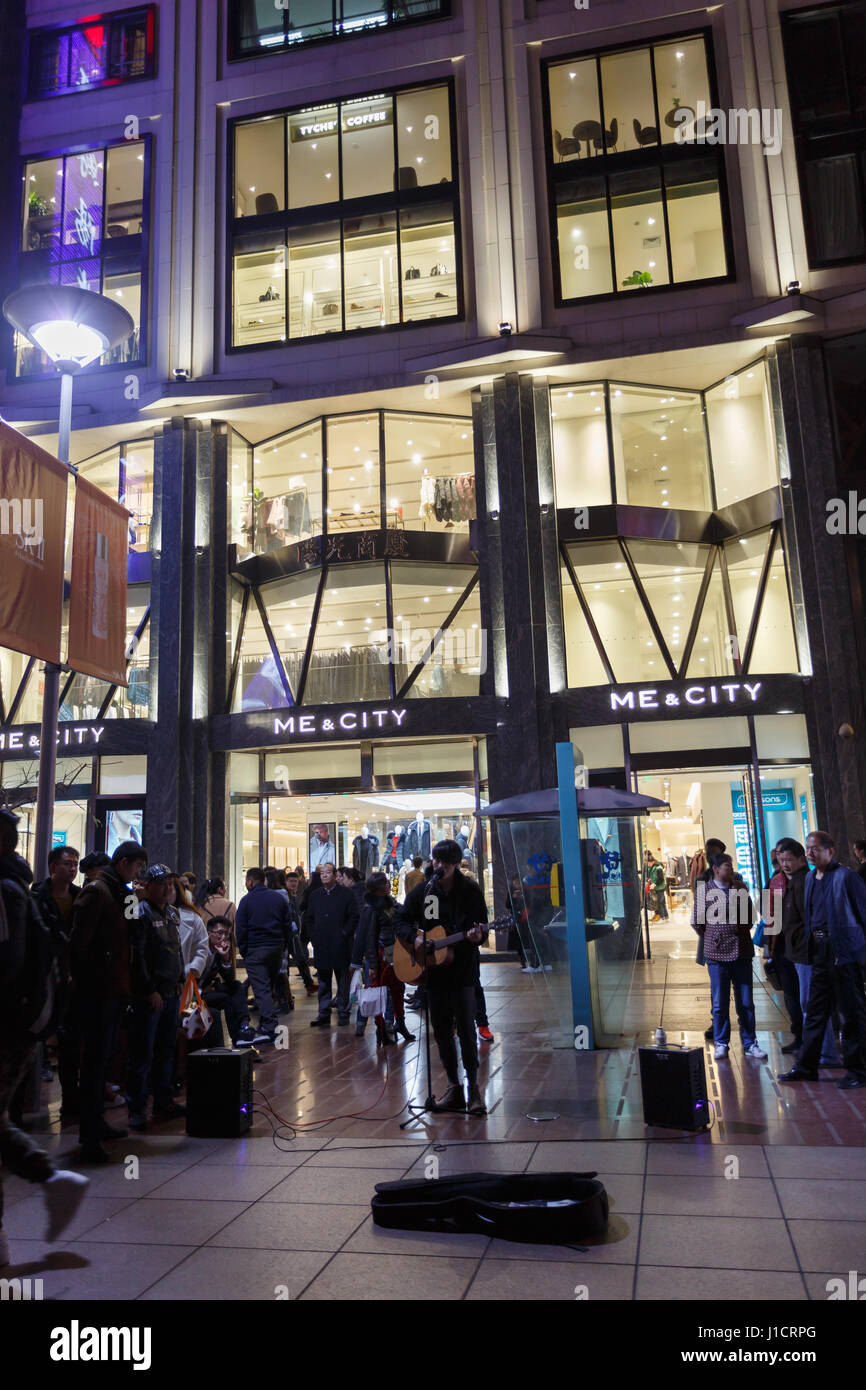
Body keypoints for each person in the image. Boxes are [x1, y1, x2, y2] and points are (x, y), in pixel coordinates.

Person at [0, 809, 89, 1266]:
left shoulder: (8, 891)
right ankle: (51, 1181)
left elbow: (8, 964)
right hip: (19, 1024)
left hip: (7, 1027)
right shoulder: (23, 889)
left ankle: (51, 1180)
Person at [396, 838, 489, 1114]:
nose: (439, 866)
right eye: (436, 860)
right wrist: (413, 939)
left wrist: (477, 935)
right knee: (442, 1032)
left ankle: (474, 1090)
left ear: (455, 863)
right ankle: (453, 1087)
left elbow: (481, 928)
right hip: (434, 975)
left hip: (462, 972)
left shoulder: (469, 890)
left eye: (445, 862)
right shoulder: (427, 890)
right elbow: (400, 918)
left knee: (466, 1032)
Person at [70, 838, 148, 1162]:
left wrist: (135, 900)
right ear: (123, 863)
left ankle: (98, 1125)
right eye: (136, 866)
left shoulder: (120, 892)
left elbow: (134, 932)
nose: (138, 872)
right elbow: (79, 944)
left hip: (117, 987)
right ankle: (89, 1136)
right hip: (99, 990)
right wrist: (88, 982)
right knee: (93, 1063)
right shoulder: (98, 891)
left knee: (104, 1061)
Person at [779, 830, 866, 1089]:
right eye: (808, 847)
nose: (811, 852)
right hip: (819, 951)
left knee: (851, 1013)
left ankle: (858, 1070)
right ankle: (807, 1066)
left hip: (844, 952)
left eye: (815, 848)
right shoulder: (808, 880)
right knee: (815, 1012)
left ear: (831, 851)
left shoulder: (846, 877)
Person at [126, 864, 186, 1129]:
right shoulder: (140, 914)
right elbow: (137, 957)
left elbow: (176, 950)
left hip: (172, 991)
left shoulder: (173, 913)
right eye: (162, 883)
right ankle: (137, 1107)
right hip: (151, 996)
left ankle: (164, 1099)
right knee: (143, 1053)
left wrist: (182, 979)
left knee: (166, 1050)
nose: (167, 888)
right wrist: (149, 989)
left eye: (170, 883)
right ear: (147, 885)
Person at [691, 853, 767, 1061]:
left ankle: (750, 1042)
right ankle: (722, 1042)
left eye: (731, 864)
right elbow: (697, 923)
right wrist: (715, 935)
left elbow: (751, 917)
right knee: (719, 1003)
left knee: (746, 1002)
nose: (731, 868)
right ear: (715, 868)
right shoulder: (704, 891)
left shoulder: (740, 888)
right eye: (727, 865)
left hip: (741, 952)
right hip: (716, 955)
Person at [773, 838, 840, 1065]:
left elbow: (812, 921)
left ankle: (825, 1052)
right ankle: (817, 1050)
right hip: (794, 951)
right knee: (804, 1002)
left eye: (788, 860)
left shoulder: (806, 882)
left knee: (811, 1003)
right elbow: (773, 914)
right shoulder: (783, 882)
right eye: (781, 860)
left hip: (807, 952)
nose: (785, 864)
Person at [33, 846, 81, 1119]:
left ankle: (70, 1100)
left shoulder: (79, 897)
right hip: (45, 979)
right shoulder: (37, 896)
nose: (72, 869)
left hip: (71, 980)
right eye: (67, 864)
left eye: (75, 864)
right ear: (53, 866)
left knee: (71, 1043)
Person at [351, 873, 414, 1044]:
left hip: (395, 953)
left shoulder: (391, 903)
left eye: (387, 883)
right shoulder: (371, 908)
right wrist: (371, 963)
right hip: (380, 956)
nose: (387, 885)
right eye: (384, 883)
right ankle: (379, 1029)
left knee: (397, 990)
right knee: (377, 993)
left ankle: (397, 1024)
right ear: (376, 887)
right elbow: (368, 937)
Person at [235, 866, 294, 1045]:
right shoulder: (278, 899)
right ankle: (266, 1023)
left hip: (256, 949)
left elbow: (241, 929)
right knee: (267, 986)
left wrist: (245, 951)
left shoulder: (246, 901)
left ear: (251, 881)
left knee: (261, 989)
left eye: (247, 881)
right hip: (275, 948)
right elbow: (287, 924)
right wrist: (284, 945)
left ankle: (269, 1026)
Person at [304, 861, 359, 1027]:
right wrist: (313, 936)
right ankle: (323, 1013)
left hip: (340, 944)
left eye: (328, 872)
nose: (325, 875)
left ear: (336, 875)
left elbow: (353, 916)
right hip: (322, 944)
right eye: (322, 873)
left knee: (342, 980)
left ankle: (343, 1012)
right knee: (323, 980)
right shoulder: (315, 895)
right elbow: (309, 918)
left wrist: (344, 933)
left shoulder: (346, 894)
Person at [198, 917, 253, 1046]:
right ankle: (238, 1038)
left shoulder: (218, 951)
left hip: (208, 989)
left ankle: (244, 1025)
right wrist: (200, 990)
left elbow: (229, 979)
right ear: (209, 933)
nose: (223, 937)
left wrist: (225, 958)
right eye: (220, 933)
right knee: (227, 999)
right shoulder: (200, 949)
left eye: (226, 934)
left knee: (237, 986)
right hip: (194, 995)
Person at [168, 875, 209, 981]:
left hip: (183, 977)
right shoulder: (147, 913)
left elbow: (202, 945)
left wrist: (195, 966)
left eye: (169, 887)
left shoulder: (192, 917)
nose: (165, 891)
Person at [284, 871, 317, 995]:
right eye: (291, 881)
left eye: (295, 881)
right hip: (289, 935)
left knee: (301, 959)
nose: (293, 884)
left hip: (295, 933)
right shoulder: (285, 897)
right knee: (296, 959)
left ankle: (308, 984)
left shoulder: (296, 896)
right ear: (286, 882)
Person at [645, 852, 668, 922]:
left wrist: (655, 884)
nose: (648, 865)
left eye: (649, 863)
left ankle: (663, 916)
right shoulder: (652, 867)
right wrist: (649, 880)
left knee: (660, 903)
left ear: (652, 862)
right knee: (658, 903)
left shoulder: (658, 868)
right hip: (655, 888)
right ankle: (662, 916)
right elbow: (652, 876)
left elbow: (661, 879)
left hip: (660, 888)